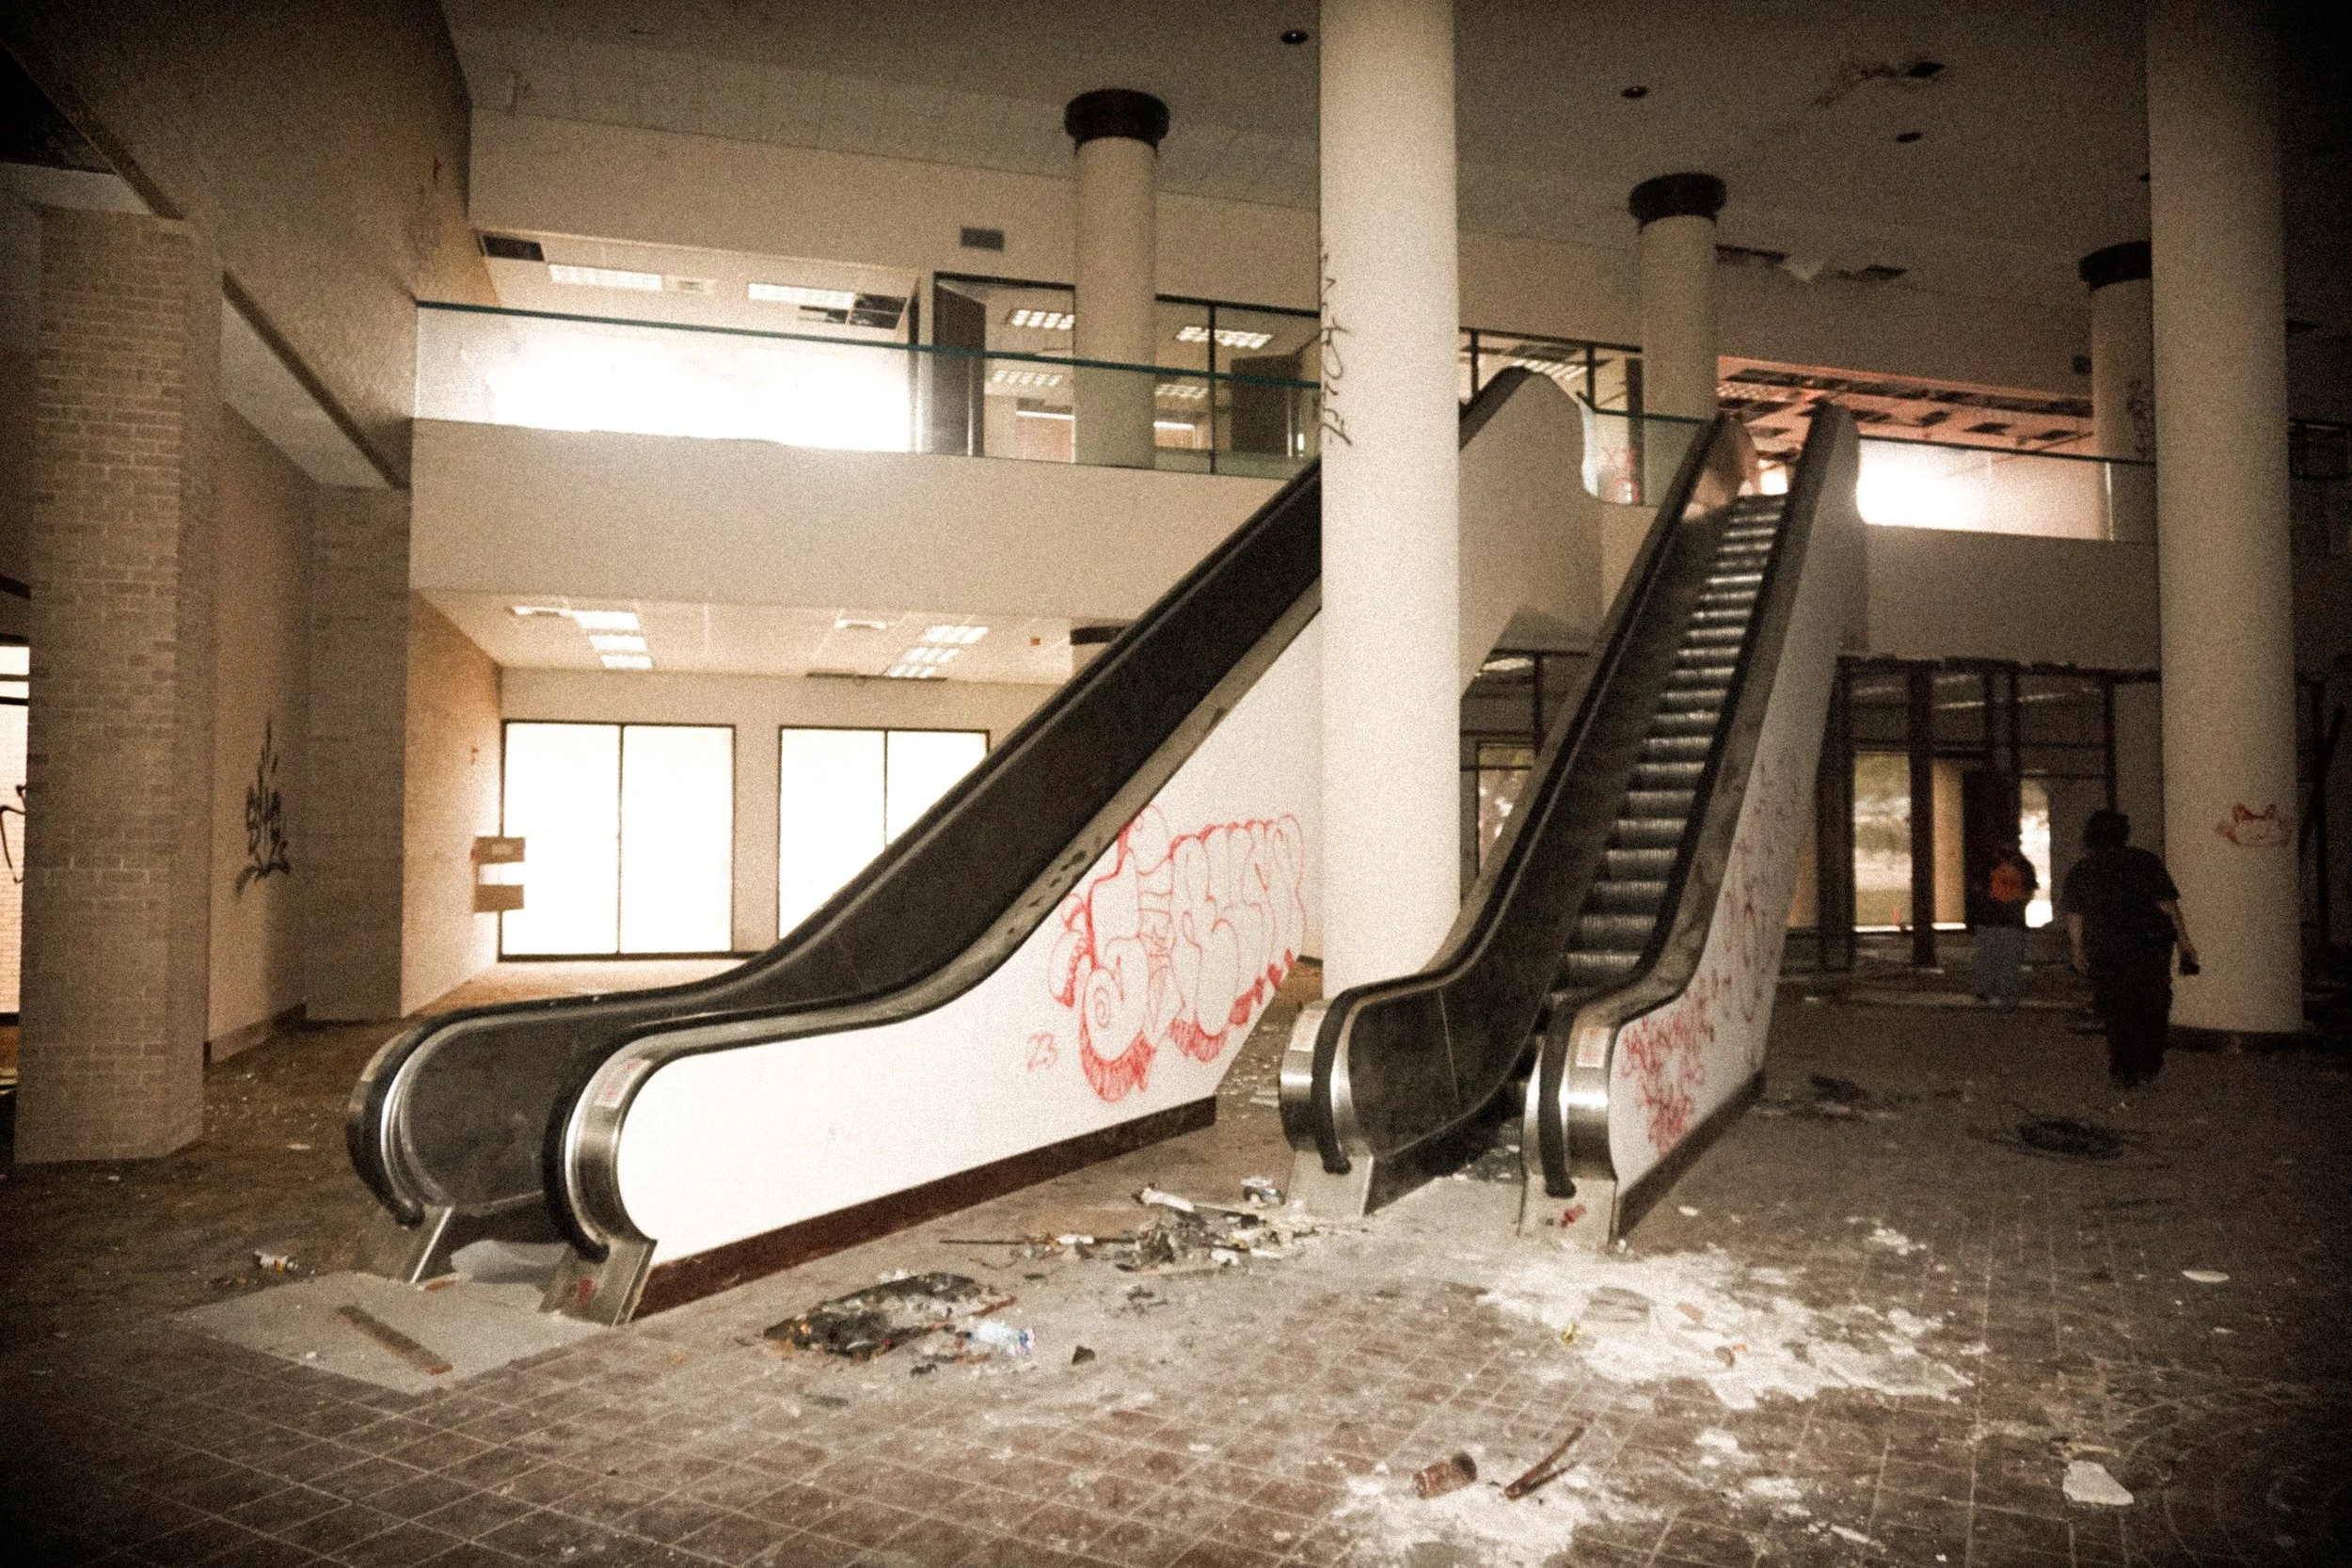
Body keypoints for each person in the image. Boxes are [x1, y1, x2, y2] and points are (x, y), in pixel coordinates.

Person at [2061, 809, 2199, 1088]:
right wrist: (2184, 942)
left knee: (2116, 1006)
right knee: (2152, 1003)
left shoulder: (2083, 870)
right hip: (2150, 942)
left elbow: (2076, 916)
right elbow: (2167, 905)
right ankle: (2148, 1062)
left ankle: (2125, 1067)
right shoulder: (2146, 862)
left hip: (2107, 945)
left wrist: (2077, 951)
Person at [1973, 840, 2039, 1006]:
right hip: (2011, 921)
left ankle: (1988, 992)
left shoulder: (1987, 864)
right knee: (2010, 960)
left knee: (1989, 958)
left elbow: (1978, 890)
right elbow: (2029, 891)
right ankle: (2006, 993)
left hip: (1990, 920)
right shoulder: (2023, 866)